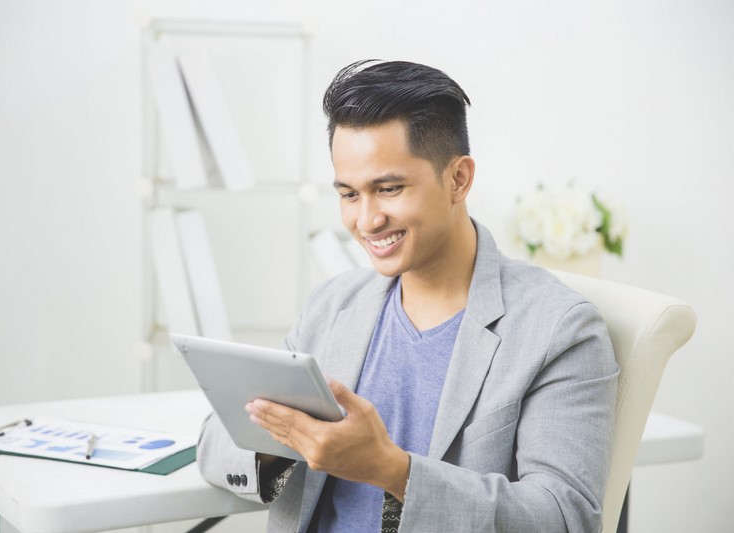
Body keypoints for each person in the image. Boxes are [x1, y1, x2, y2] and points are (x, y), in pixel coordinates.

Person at [197, 60, 619, 532]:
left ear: (458, 179)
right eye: (349, 194)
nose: (367, 220)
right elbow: (214, 445)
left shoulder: (559, 329)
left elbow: (565, 518)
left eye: (389, 188)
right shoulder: (334, 305)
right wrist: (290, 438)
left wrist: (390, 470)